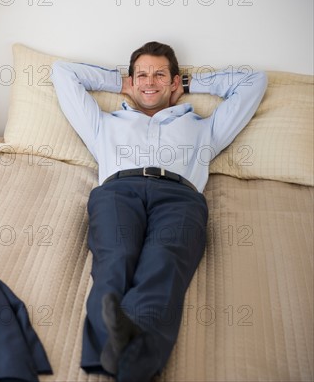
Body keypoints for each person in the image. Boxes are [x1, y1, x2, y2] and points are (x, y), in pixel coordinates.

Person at [51, 41, 267, 381]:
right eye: (142, 75)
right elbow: (63, 73)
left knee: (164, 263)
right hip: (117, 193)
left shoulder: (203, 127)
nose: (149, 81)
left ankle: (132, 361)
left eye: (159, 75)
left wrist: (191, 84)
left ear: (173, 81)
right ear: (131, 80)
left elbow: (254, 81)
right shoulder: (103, 123)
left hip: (179, 197)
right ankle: (113, 349)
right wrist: (119, 81)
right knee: (115, 258)